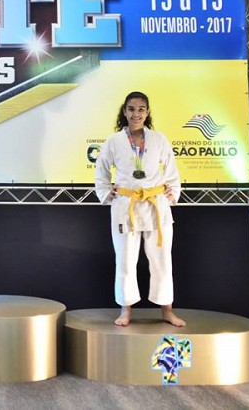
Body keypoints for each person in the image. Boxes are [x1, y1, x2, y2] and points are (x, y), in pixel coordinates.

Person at [94, 91, 185, 327]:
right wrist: (105, 192)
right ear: (124, 112)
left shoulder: (159, 139)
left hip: (156, 204)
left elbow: (172, 170)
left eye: (141, 109)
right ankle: (125, 310)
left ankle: (167, 310)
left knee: (162, 259)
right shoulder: (114, 141)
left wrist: (173, 192)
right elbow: (101, 169)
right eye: (132, 109)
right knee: (125, 260)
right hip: (126, 205)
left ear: (147, 112)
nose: (136, 114)